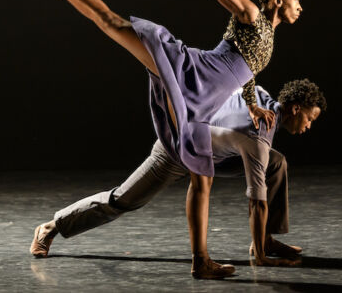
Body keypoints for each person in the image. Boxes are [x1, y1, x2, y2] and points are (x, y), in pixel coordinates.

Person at [13, 0, 303, 278]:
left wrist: (250, 104)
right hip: (188, 74)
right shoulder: (249, 13)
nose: (300, 7)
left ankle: (201, 262)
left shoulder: (268, 39)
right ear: (277, 0)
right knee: (113, 22)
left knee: (157, 192)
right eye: (297, 0)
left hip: (198, 114)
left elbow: (245, 69)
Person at [30, 79, 327, 271]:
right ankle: (52, 226)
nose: (309, 126)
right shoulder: (258, 137)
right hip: (176, 151)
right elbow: (257, 202)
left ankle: (265, 239)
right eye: (310, 118)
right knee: (124, 199)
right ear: (296, 108)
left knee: (277, 163)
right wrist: (259, 261)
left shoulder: (258, 94)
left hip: (212, 152)